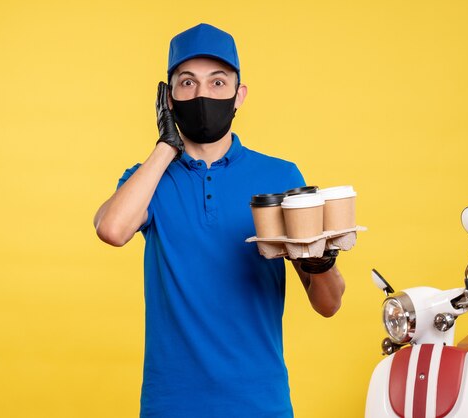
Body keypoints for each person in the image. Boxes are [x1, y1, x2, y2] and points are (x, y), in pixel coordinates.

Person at [94, 23, 345, 418]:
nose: (202, 94)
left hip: (260, 403)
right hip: (170, 405)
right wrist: (165, 146)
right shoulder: (149, 179)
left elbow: (328, 304)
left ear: (238, 95)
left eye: (217, 82)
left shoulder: (280, 177)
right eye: (187, 82)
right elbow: (112, 229)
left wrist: (321, 261)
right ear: (169, 97)